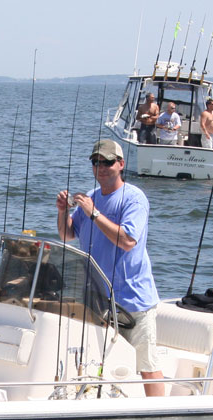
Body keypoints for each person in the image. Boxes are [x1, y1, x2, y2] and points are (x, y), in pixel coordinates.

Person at [56, 139, 166, 397]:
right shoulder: (91, 198)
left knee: (147, 366)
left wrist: (94, 214)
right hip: (99, 300)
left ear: (121, 164)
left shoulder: (134, 198)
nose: (101, 167)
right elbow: (67, 234)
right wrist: (62, 211)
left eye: (107, 162)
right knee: (100, 362)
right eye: (96, 162)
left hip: (134, 300)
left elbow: (128, 240)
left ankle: (160, 416)